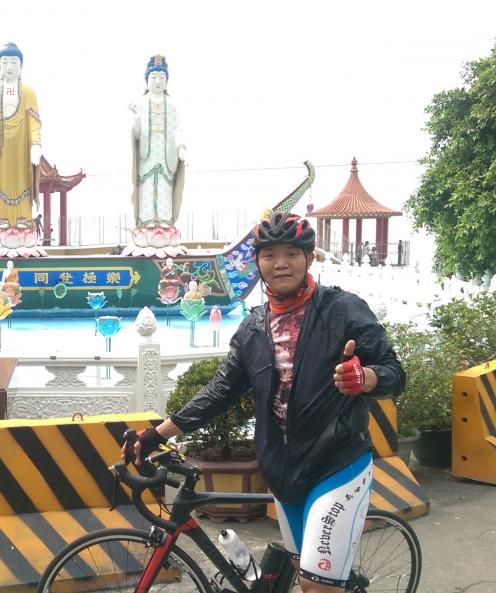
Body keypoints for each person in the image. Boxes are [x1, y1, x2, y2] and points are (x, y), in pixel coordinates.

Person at [131, 212, 405, 593]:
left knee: (317, 586)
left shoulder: (343, 309)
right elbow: (220, 391)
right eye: (270, 255)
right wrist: (156, 434)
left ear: (310, 257)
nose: (281, 264)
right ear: (257, 263)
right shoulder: (253, 328)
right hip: (281, 474)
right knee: (299, 575)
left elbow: (394, 372)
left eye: (291, 253)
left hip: (337, 465)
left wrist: (367, 378)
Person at [0, 42, 41, 235]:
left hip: (22, 145)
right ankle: (2, 220)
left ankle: (24, 218)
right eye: (5, 62)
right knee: (3, 180)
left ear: (21, 66)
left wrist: (36, 144)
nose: (9, 67)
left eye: (14, 62)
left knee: (22, 179)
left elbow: (34, 120)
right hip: (0, 145)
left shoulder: (29, 92)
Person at [130, 55, 186, 232]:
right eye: (153, 77)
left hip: (166, 154)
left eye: (162, 77)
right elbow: (136, 134)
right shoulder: (141, 103)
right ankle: (146, 222)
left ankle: (165, 223)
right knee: (146, 187)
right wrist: (135, 118)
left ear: (167, 81)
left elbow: (178, 129)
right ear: (146, 80)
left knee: (164, 187)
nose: (157, 81)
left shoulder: (172, 105)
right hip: (146, 154)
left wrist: (181, 147)